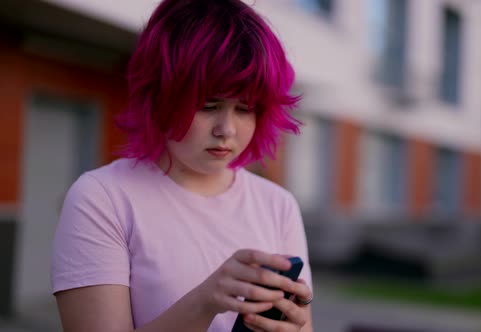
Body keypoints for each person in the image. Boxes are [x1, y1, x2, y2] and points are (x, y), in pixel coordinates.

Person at [51, 0, 313, 331]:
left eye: (245, 108)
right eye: (208, 105)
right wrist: (204, 302)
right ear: (160, 96)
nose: (226, 129)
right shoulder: (102, 198)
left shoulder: (279, 205)